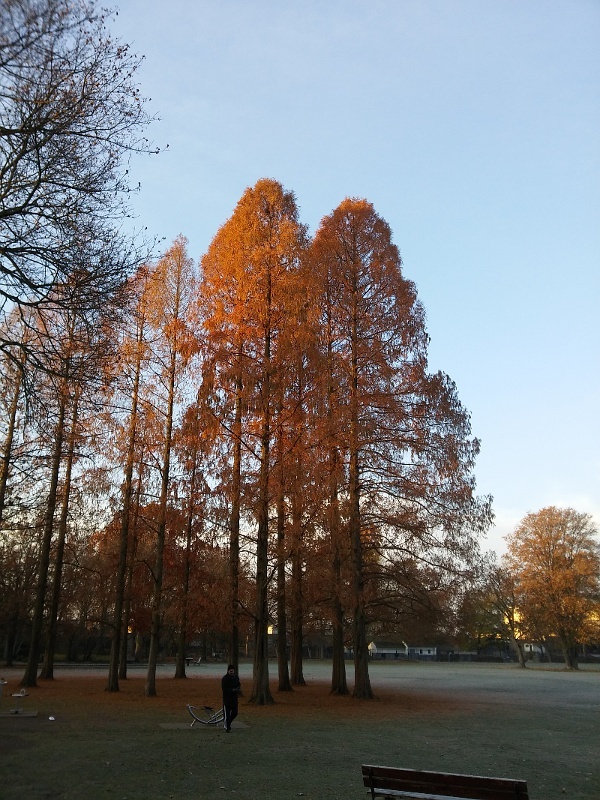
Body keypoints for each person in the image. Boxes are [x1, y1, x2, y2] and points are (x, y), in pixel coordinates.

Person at [221, 664, 241, 732]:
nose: (232, 672)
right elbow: (224, 688)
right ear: (228, 671)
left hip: (234, 699)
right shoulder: (224, 679)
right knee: (227, 715)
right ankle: (227, 727)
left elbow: (239, 684)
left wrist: (238, 688)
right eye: (230, 671)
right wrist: (232, 690)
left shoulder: (236, 677)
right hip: (227, 700)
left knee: (235, 713)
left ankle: (228, 723)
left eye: (232, 671)